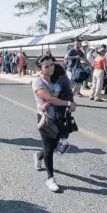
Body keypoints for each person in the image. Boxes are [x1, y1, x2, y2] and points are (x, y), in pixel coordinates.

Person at [32, 55, 76, 192]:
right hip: (45, 119)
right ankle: (50, 178)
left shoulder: (55, 79)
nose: (50, 68)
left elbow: (55, 97)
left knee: (53, 145)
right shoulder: (38, 82)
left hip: (58, 118)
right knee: (49, 148)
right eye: (46, 66)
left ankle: (38, 156)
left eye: (51, 64)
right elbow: (50, 97)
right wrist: (69, 103)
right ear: (40, 68)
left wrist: (52, 101)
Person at [50, 62, 74, 155]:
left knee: (59, 123)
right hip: (61, 104)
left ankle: (64, 143)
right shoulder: (63, 78)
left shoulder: (61, 80)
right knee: (58, 122)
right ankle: (60, 142)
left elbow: (58, 93)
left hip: (60, 104)